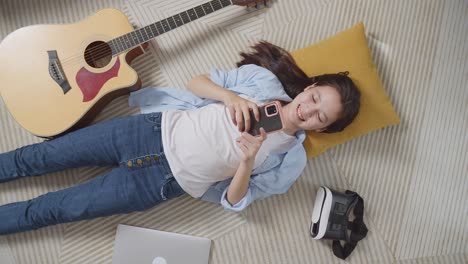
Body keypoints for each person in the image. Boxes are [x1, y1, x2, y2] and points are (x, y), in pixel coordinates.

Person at [0, 41, 360, 235]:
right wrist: (230, 98)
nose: (308, 111)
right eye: (314, 99)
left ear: (321, 129)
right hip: (146, 132)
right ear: (310, 87)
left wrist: (248, 161)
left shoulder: (290, 160)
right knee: (36, 158)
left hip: (159, 183)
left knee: (52, 210)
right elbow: (196, 82)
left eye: (320, 117)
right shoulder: (262, 82)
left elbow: (235, 201)